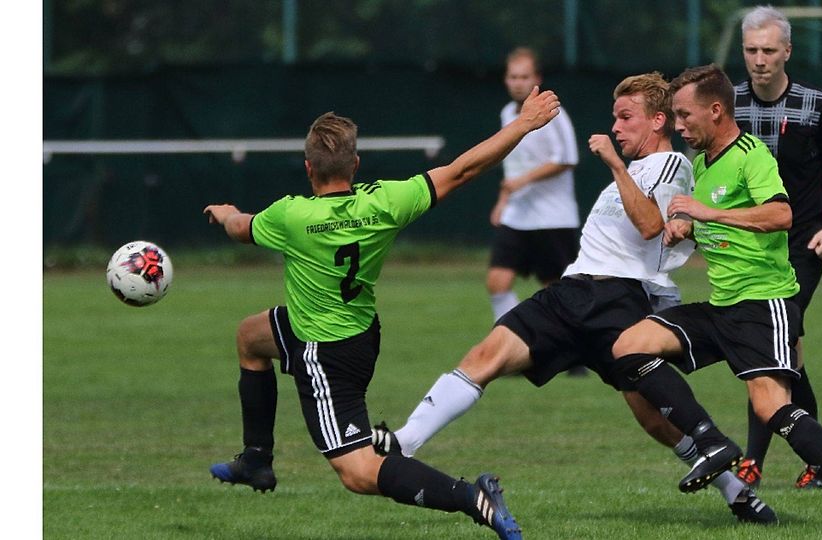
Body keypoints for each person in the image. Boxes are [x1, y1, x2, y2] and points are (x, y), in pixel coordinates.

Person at [372, 72, 777, 525]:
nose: (616, 127)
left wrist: (615, 165)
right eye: (614, 118)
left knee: (653, 420)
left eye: (627, 118)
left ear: (658, 121)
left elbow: (649, 225)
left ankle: (736, 491)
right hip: (573, 290)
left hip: (619, 297)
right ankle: (405, 442)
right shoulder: (634, 169)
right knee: (485, 355)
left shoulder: (670, 166)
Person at [203, 87, 563, 540]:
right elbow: (464, 168)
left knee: (358, 472)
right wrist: (524, 124)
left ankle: (472, 497)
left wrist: (226, 213)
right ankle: (256, 458)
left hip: (326, 352)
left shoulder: (288, 216)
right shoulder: (384, 202)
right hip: (350, 331)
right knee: (251, 335)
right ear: (355, 166)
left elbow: (240, 229)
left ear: (308, 168)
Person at [609, 64, 822, 531]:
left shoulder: (750, 153)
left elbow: (782, 214)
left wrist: (705, 211)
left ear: (716, 110)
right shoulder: (703, 162)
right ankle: (709, 438)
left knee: (770, 407)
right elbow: (721, 225)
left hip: (763, 305)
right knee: (629, 345)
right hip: (722, 305)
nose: (678, 126)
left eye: (684, 115)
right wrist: (689, 230)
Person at [732, 5, 822, 490]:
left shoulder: (817, 105)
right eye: (751, 50)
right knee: (787, 350)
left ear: (787, 50)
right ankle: (820, 457)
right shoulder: (726, 105)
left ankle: (751, 461)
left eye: (769, 50)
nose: (760, 59)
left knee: (769, 341)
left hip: (802, 245)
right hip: (749, 248)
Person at [487, 48, 580, 326]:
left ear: (536, 78)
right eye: (513, 76)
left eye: (524, 76)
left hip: (553, 216)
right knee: (497, 282)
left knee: (557, 289)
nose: (518, 82)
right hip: (517, 215)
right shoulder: (507, 113)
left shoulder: (553, 112)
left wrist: (522, 181)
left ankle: (573, 352)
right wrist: (503, 201)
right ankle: (515, 341)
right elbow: (512, 165)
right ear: (506, 79)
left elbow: (567, 159)